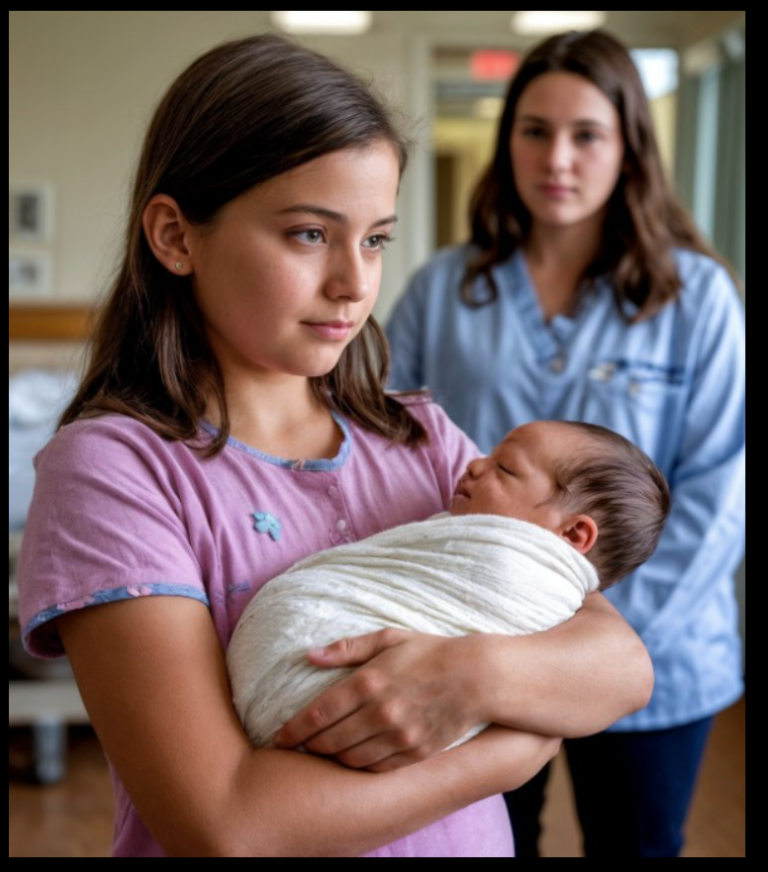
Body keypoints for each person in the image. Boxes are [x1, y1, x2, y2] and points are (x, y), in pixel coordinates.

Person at [16, 35, 653, 858]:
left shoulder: (424, 441)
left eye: (377, 239)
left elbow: (620, 663)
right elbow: (228, 826)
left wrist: (473, 681)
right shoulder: (115, 473)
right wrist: (513, 746)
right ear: (176, 236)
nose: (354, 282)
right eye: (310, 235)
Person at [386, 28, 745, 858]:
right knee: (487, 843)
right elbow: (391, 444)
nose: (558, 158)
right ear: (507, 138)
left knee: (639, 844)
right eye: (535, 130)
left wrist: (592, 649)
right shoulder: (445, 289)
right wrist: (500, 650)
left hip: (658, 655)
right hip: (474, 646)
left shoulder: (698, 298)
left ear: (629, 149)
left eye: (588, 134)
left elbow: (717, 499)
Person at [229, 420, 670, 752]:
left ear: (572, 536)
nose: (474, 464)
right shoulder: (464, 497)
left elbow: (629, 672)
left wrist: (477, 677)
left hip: (322, 706)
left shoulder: (531, 576)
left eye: (505, 468)